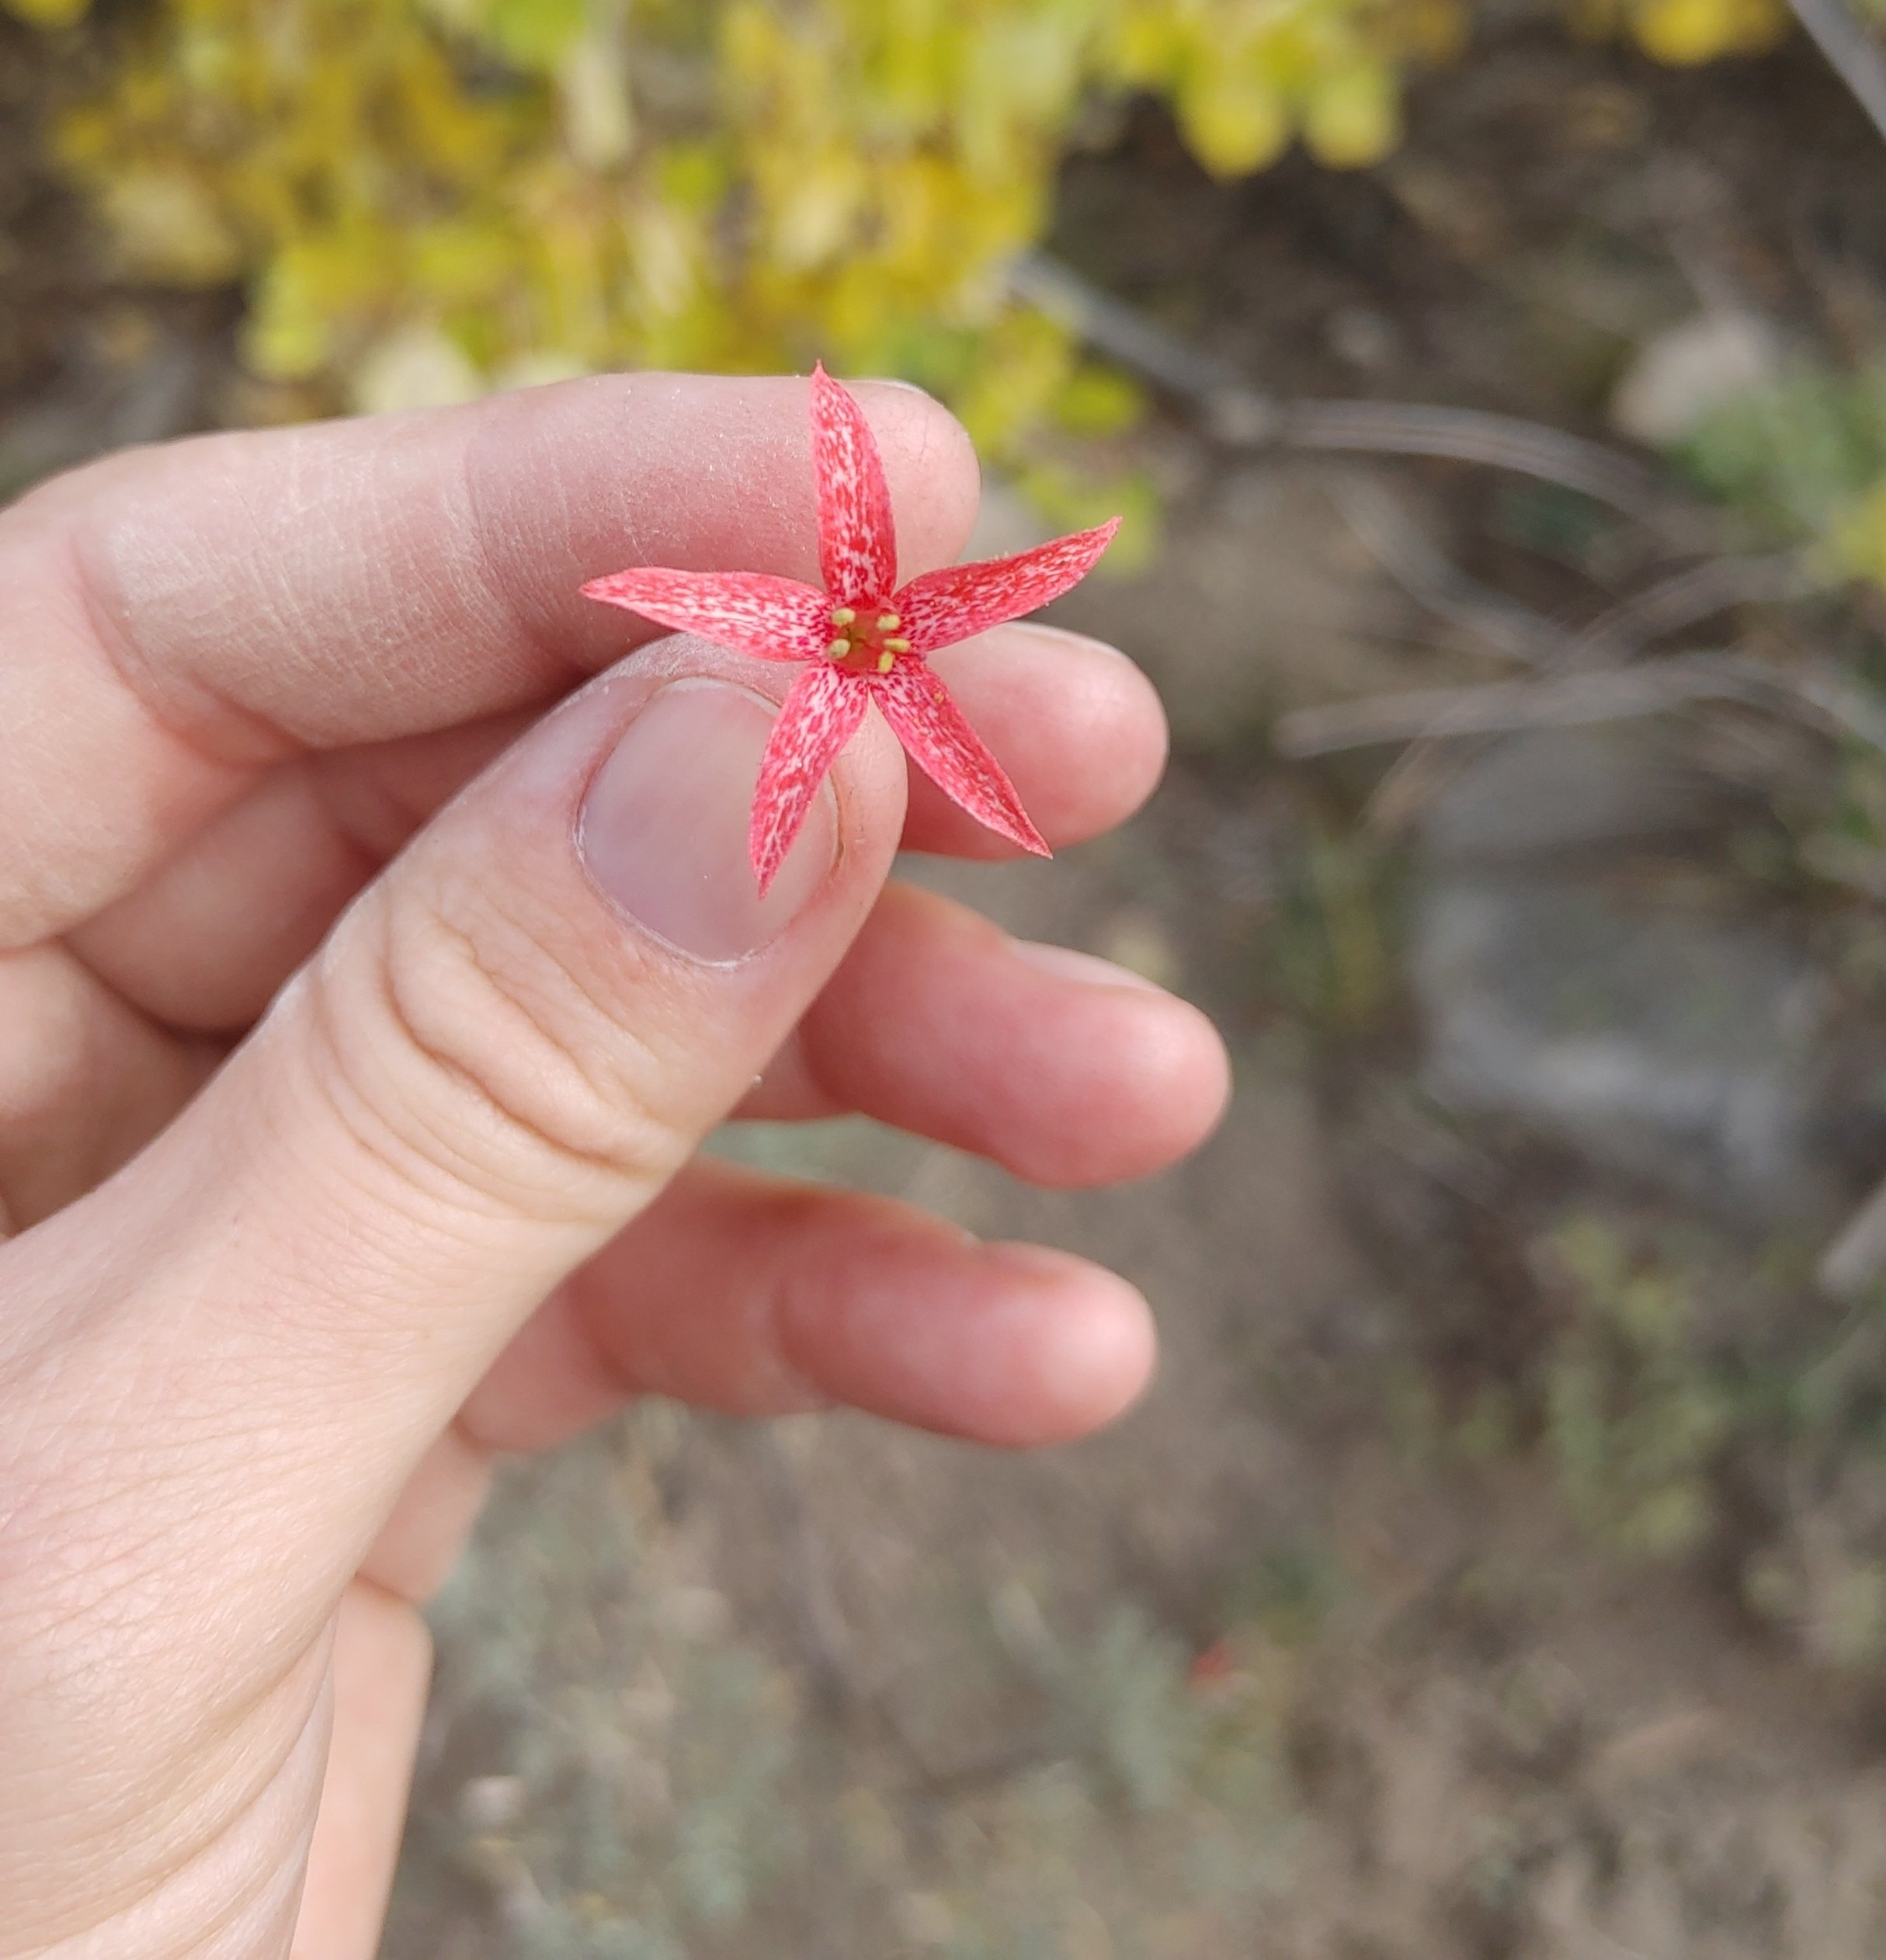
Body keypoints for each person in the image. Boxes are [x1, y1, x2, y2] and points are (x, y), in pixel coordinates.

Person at [0, 372, 1229, 1960]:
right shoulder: (848, 650)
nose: (866, 641)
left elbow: (897, 612)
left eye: (879, 637)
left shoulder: (877, 656)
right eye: (860, 630)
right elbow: (768, 610)